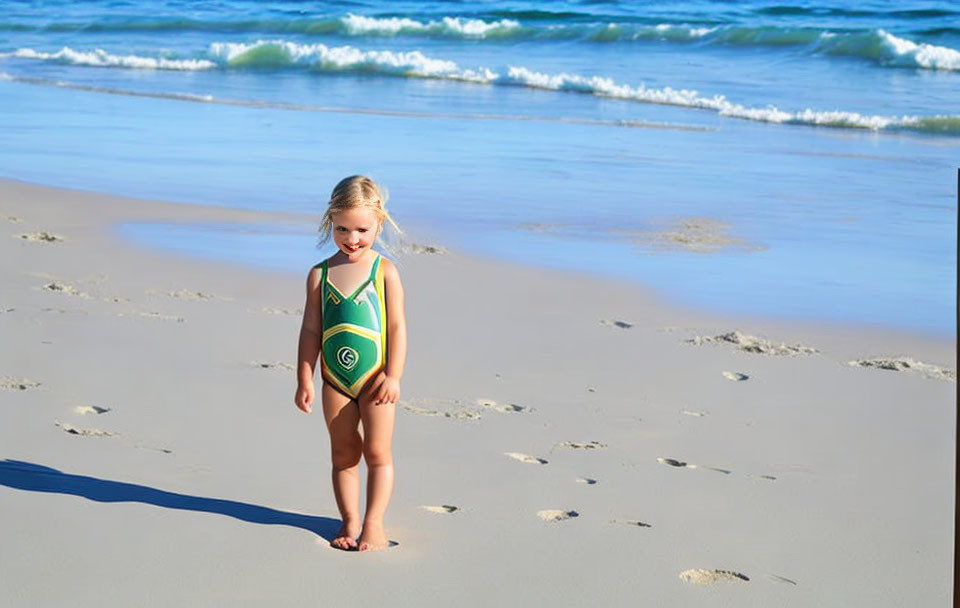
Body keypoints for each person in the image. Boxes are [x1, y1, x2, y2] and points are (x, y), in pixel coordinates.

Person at [294, 175, 407, 552]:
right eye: (342, 228)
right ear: (330, 223)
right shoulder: (320, 274)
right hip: (335, 382)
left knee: (377, 452)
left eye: (362, 229)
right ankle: (349, 519)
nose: (352, 238)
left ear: (379, 224)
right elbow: (311, 330)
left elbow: (396, 327)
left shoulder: (384, 272)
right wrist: (305, 378)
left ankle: (373, 523)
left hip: (376, 381)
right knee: (343, 454)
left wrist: (394, 375)